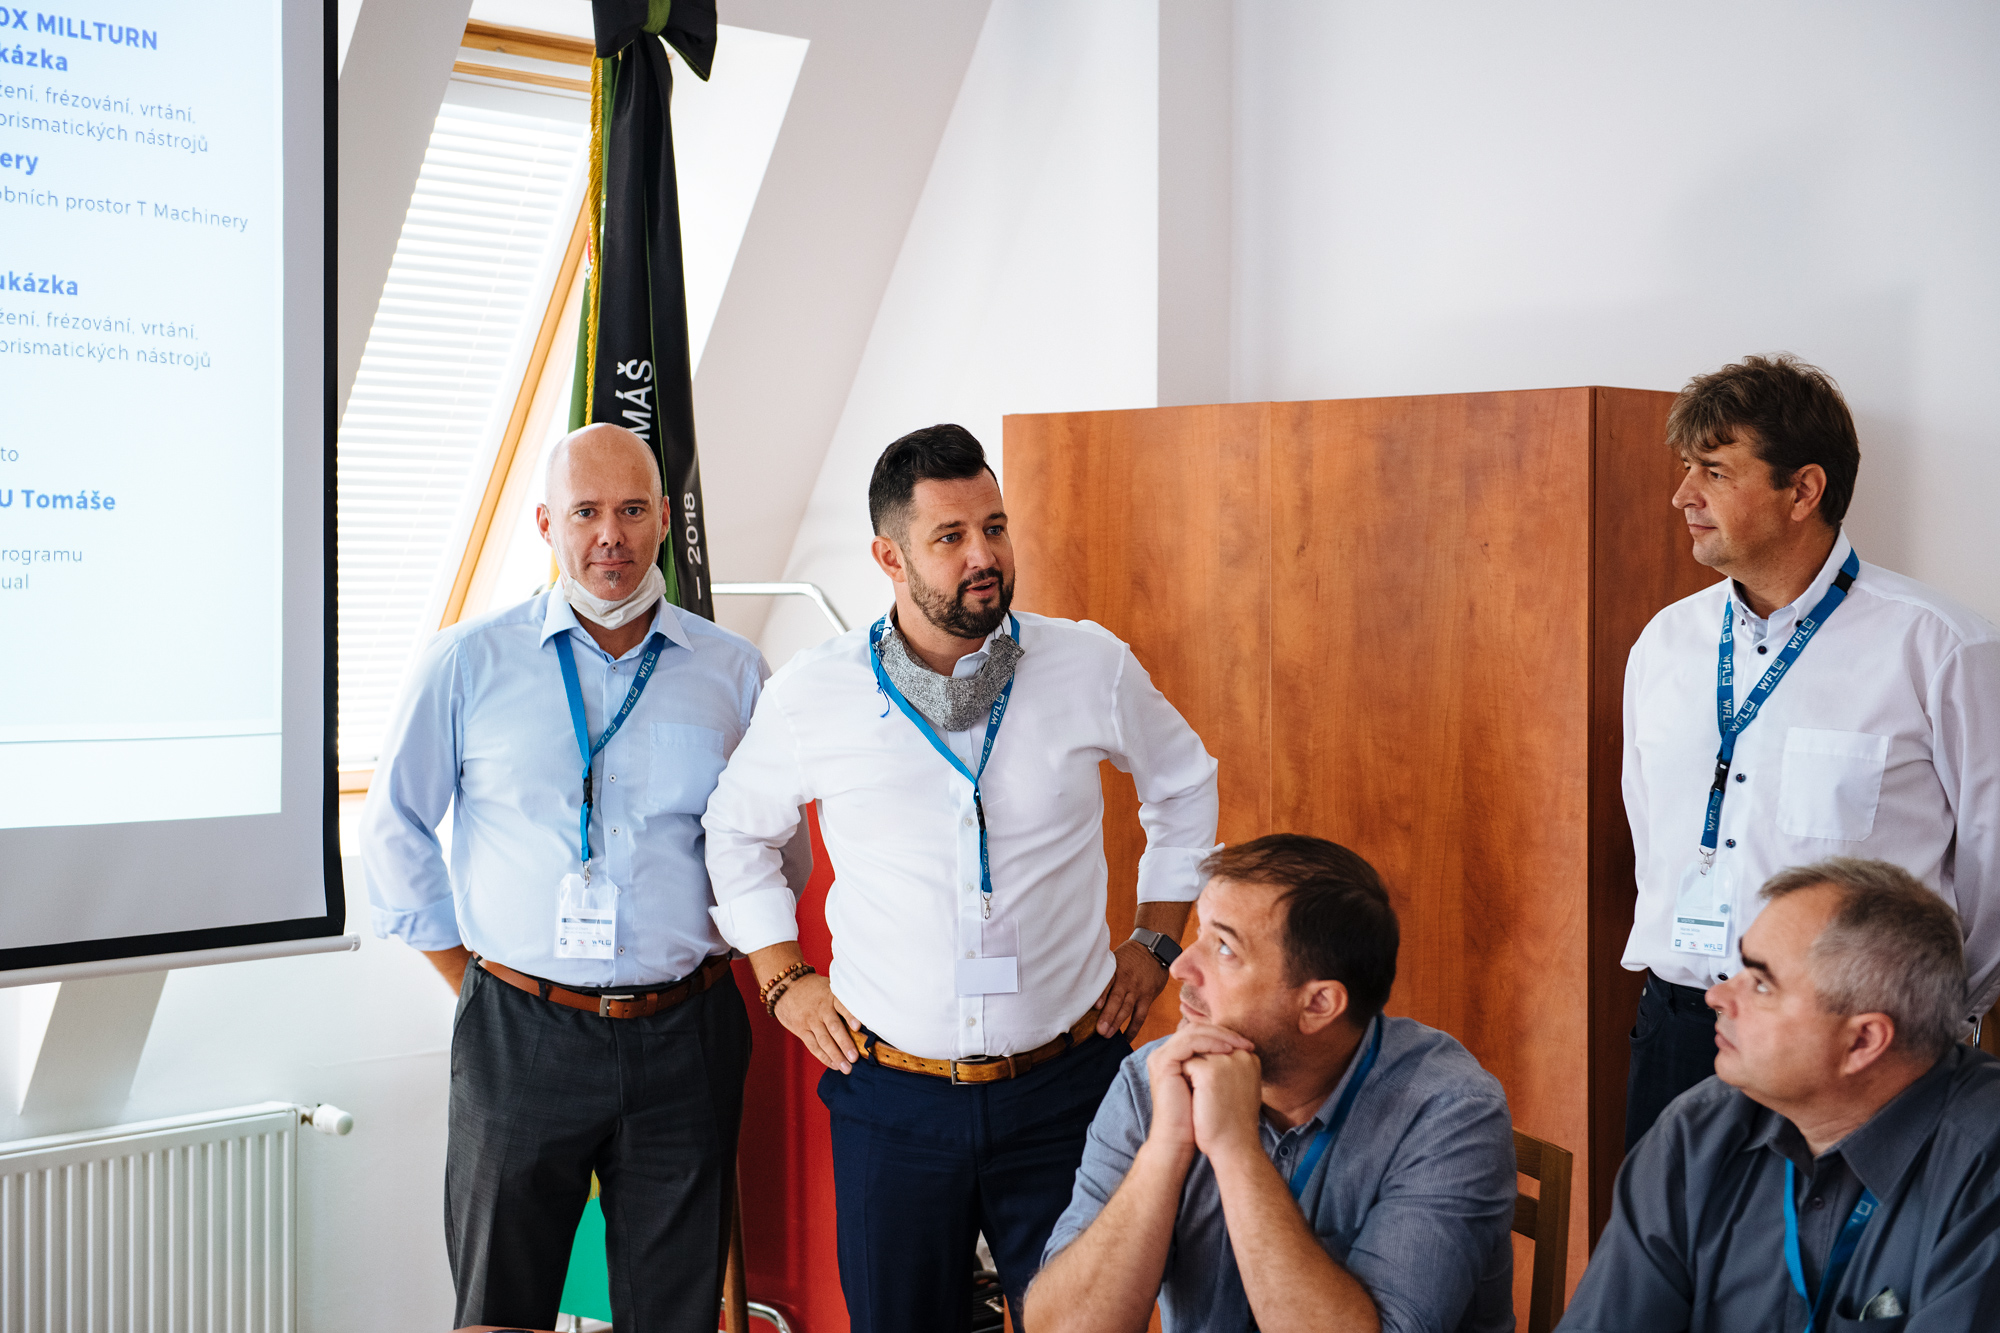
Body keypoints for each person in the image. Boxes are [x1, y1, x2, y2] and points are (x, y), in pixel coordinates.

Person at [702, 423, 1219, 1331]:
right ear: (888, 558)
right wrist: (783, 979)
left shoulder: (1088, 664)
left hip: (1066, 1088)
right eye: (951, 536)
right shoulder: (814, 693)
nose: (984, 556)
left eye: (995, 526)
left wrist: (1154, 941)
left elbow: (1184, 783)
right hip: (891, 1096)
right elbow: (735, 830)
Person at [362, 424, 805, 1332]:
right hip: (520, 1029)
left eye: (633, 510)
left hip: (687, 1030)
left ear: (664, 519)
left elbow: (776, 849)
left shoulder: (733, 671)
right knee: (501, 1305)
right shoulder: (467, 661)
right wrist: (469, 976)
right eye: (587, 512)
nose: (612, 534)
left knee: (674, 1309)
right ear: (545, 524)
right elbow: (393, 825)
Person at [1620, 353, 2000, 1148]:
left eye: (1714, 471)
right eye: (1687, 468)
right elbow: (1650, 829)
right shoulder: (1665, 643)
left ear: (1804, 490)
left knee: (1850, 1235)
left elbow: (1991, 859)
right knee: (1665, 1231)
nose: (1683, 495)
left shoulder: (1940, 647)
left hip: (1855, 1042)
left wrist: (1939, 1018)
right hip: (1681, 1027)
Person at [1026, 835, 1516, 1333]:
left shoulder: (1451, 1113)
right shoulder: (1154, 1078)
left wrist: (1235, 1149)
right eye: (1199, 934)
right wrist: (1166, 1147)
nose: (1181, 967)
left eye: (1224, 948)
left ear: (1318, 1005)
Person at [1562, 858, 2000, 1331]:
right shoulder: (1696, 1135)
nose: (1715, 998)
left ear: (1862, 1041)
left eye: (1761, 984)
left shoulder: (1984, 1173)